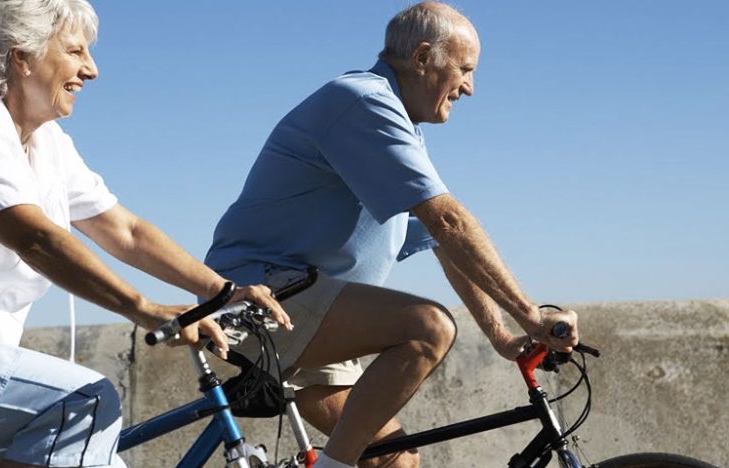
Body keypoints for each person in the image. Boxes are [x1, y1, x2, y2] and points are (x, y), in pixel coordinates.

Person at [0, 1, 287, 467]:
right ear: (21, 55)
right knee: (84, 403)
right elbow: (34, 238)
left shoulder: (48, 144)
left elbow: (124, 229)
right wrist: (146, 310)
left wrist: (221, 291)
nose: (92, 70)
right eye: (76, 51)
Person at [204, 3, 580, 468]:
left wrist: (503, 335)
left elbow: (441, 242)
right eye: (464, 69)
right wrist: (529, 313)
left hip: (307, 303)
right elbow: (449, 221)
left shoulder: (397, 125)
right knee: (427, 326)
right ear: (422, 58)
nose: (470, 87)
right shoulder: (362, 101)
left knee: (395, 461)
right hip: (261, 294)